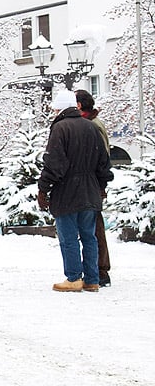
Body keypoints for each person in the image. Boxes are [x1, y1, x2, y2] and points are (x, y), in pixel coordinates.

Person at [37, 90, 113, 293]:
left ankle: (73, 278)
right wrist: (101, 186)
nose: (53, 111)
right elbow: (103, 162)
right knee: (89, 236)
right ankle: (92, 279)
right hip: (90, 190)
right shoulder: (91, 127)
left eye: (55, 108)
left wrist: (43, 189)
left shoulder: (60, 128)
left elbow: (54, 163)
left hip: (67, 191)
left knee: (68, 237)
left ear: (60, 108)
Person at [75, 89, 112, 287]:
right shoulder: (91, 123)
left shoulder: (92, 125)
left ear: (79, 105)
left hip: (93, 184)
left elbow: (101, 157)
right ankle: (97, 269)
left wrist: (100, 184)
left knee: (95, 227)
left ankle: (100, 269)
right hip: (93, 183)